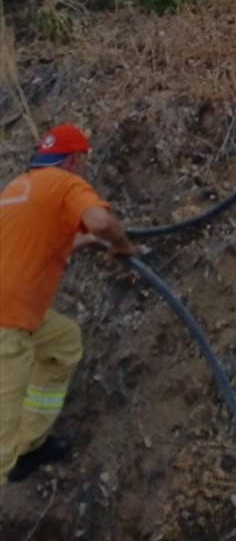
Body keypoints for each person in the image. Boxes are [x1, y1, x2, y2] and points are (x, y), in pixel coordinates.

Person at [0, 123, 135, 485]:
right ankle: (11, 455)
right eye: (82, 161)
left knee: (63, 342)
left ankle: (29, 445)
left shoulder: (17, 188)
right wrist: (121, 245)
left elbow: (33, 244)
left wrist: (81, 241)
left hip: (15, 311)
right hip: (7, 325)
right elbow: (100, 220)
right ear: (74, 159)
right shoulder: (65, 184)